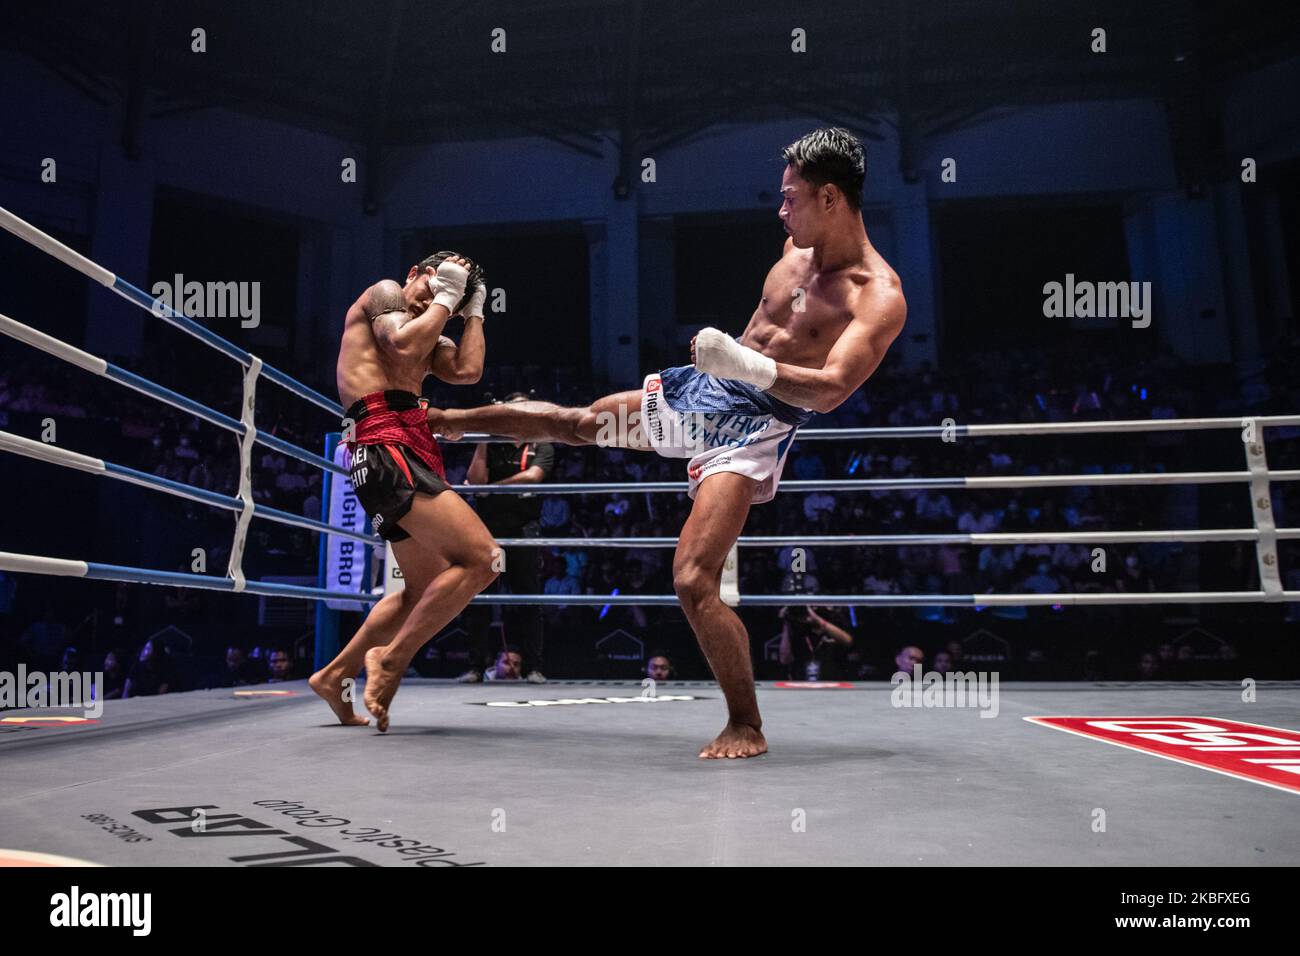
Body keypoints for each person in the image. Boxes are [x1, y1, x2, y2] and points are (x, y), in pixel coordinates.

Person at [425, 128, 906, 757]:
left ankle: (746, 724)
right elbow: (757, 342)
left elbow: (833, 389)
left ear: (832, 198)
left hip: (753, 428)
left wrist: (744, 366)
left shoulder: (878, 293)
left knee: (692, 579)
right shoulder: (793, 251)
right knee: (577, 424)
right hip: (704, 395)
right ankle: (453, 420)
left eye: (791, 198)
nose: (780, 211)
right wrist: (729, 365)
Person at [309, 251, 500, 732]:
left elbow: (468, 372)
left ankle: (335, 675)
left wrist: (470, 308)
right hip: (382, 441)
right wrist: (444, 299)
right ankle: (392, 659)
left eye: (448, 302)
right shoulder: (386, 292)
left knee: (421, 589)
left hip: (407, 445)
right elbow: (398, 345)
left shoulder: (430, 329)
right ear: (415, 273)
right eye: (433, 287)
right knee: (483, 559)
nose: (437, 304)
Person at [460, 393, 555, 684]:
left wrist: (494, 487)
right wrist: (483, 439)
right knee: (478, 598)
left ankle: (534, 667)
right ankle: (476, 667)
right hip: (487, 528)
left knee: (528, 598)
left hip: (524, 528)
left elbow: (533, 477)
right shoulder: (493, 443)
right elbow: (475, 482)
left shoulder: (542, 443)